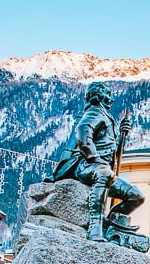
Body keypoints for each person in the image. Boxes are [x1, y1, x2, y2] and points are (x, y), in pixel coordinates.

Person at [50, 82, 144, 241]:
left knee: (136, 196)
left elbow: (110, 148)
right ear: (98, 96)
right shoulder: (95, 112)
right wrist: (94, 158)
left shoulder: (106, 117)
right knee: (104, 174)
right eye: (108, 95)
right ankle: (95, 227)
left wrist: (122, 135)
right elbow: (83, 131)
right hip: (86, 167)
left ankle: (111, 221)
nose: (111, 99)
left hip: (103, 170)